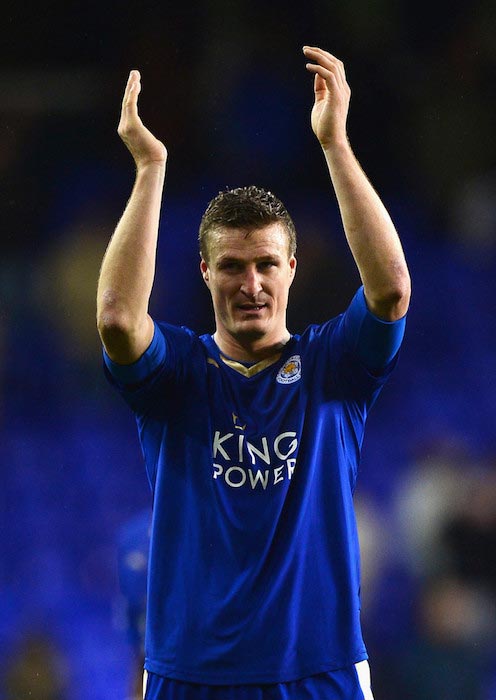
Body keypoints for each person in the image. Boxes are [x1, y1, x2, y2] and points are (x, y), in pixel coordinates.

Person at [97, 46, 411, 700]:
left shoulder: (334, 367)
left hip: (317, 672)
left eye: (267, 263)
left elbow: (391, 291)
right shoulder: (177, 374)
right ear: (205, 272)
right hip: (193, 676)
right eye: (233, 265)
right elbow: (119, 319)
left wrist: (336, 145)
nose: (252, 282)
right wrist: (151, 168)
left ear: (292, 269)